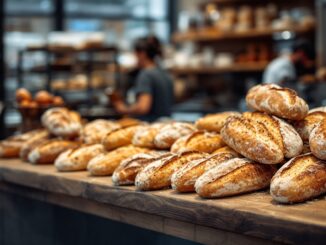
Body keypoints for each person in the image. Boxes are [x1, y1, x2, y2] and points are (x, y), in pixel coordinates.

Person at [110, 36, 174, 122]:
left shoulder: (145, 75)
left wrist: (123, 108)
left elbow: (143, 107)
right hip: (165, 124)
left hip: (151, 126)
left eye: (135, 54)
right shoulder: (164, 73)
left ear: (142, 54)